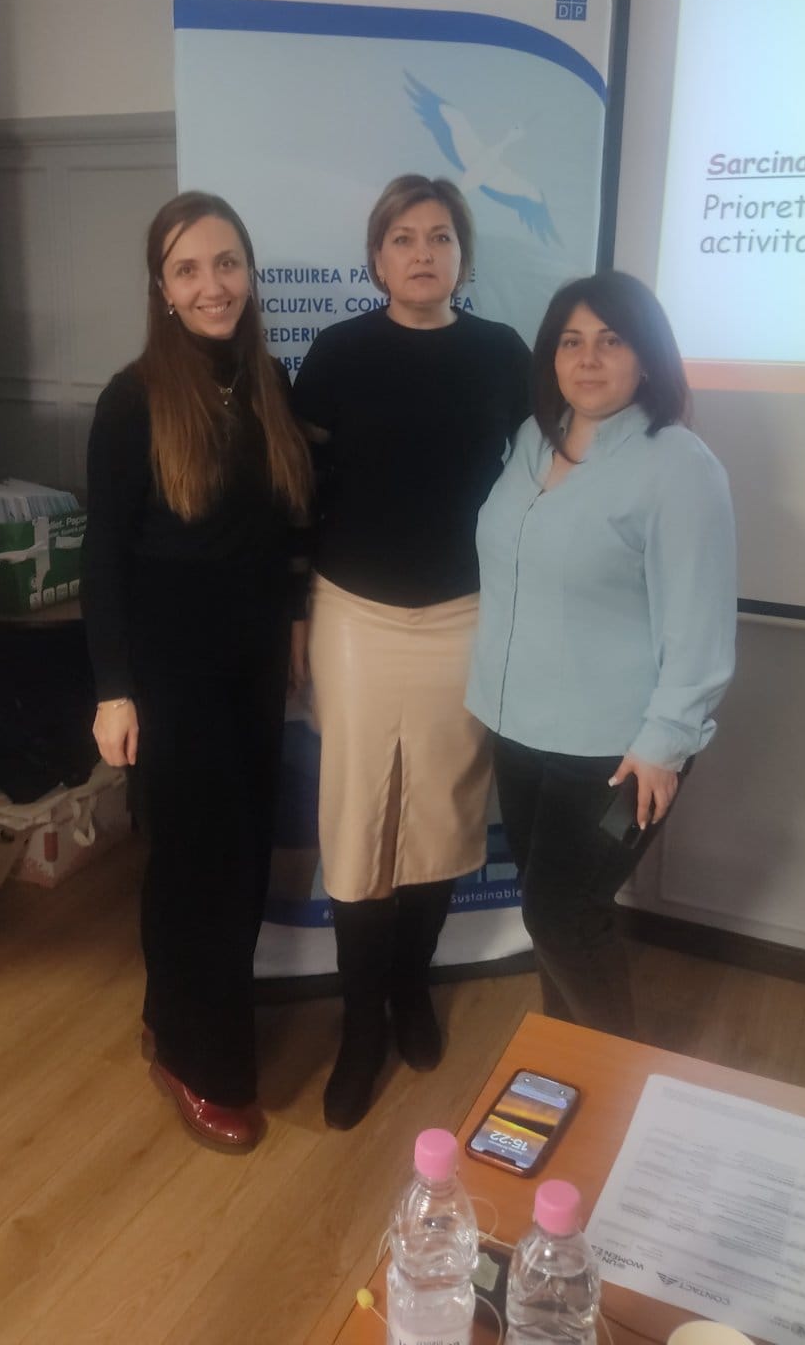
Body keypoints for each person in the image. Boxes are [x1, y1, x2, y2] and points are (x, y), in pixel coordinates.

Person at [291, 174, 531, 1129]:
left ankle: (409, 987)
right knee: (359, 819)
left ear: (462, 255)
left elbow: (543, 475)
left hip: (464, 614)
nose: (422, 253)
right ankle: (360, 1025)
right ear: (376, 258)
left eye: (439, 237)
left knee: (438, 811)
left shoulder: (503, 354)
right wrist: (294, 612)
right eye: (402, 238)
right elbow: (301, 492)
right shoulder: (339, 353)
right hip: (354, 612)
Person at [81, 190, 311, 1151]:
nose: (212, 285)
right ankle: (204, 1063)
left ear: (248, 273)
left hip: (250, 667)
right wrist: (112, 689)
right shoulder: (131, 398)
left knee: (239, 858)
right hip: (170, 675)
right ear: (163, 290)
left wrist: (293, 621)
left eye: (226, 263)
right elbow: (102, 555)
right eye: (188, 269)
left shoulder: (268, 383)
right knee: (197, 869)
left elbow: (283, 528)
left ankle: (168, 1016)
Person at [467, 270, 737, 1037]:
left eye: (611, 341)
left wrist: (665, 746)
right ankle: (566, 1057)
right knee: (548, 909)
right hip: (522, 730)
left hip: (620, 755)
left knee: (564, 916)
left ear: (646, 358)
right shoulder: (535, 439)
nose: (587, 359)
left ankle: (614, 1084)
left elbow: (701, 627)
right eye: (571, 341)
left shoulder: (679, 466)